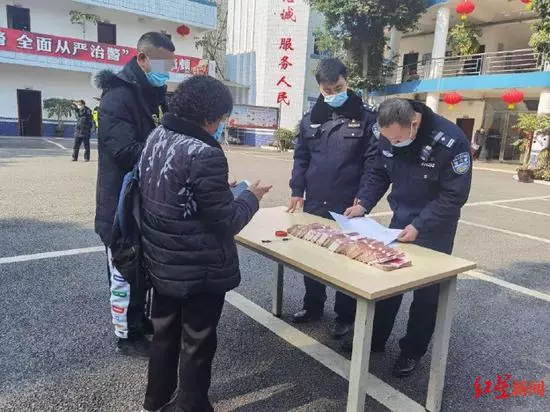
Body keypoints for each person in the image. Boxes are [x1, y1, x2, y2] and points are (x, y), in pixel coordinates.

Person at [139, 76, 271, 412]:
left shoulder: (157, 136)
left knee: (164, 333)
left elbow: (172, 189)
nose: (222, 124)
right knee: (197, 342)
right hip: (199, 266)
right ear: (210, 116)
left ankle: (155, 401)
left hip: (162, 258)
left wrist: (218, 189)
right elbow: (227, 221)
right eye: (223, 117)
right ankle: (191, 406)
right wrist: (250, 197)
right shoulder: (204, 152)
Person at [345, 98, 472, 377]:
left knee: (426, 295)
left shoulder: (450, 141)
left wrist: (420, 225)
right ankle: (375, 339)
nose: (393, 143)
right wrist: (363, 203)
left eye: (397, 139)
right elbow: (378, 172)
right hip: (400, 220)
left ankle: (412, 351)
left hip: (435, 227)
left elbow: (454, 195)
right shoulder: (387, 132)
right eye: (389, 139)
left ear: (414, 123)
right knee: (388, 282)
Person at [94, 32, 175, 357]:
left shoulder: (154, 95)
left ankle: (140, 322)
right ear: (142, 58)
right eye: (162, 64)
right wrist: (172, 154)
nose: (167, 71)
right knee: (125, 270)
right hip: (121, 204)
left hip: (148, 201)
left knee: (143, 269)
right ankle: (127, 336)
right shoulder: (117, 97)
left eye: (170, 65)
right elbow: (125, 151)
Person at [287, 58, 377, 341]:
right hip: (315, 199)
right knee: (313, 254)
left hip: (349, 203)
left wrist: (364, 199)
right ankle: (313, 306)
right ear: (319, 88)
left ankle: (345, 316)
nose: (333, 94)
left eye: (338, 88)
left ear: (347, 81)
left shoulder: (366, 118)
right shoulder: (311, 118)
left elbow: (373, 163)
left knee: (346, 259)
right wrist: (296, 190)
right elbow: (301, 157)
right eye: (327, 90)